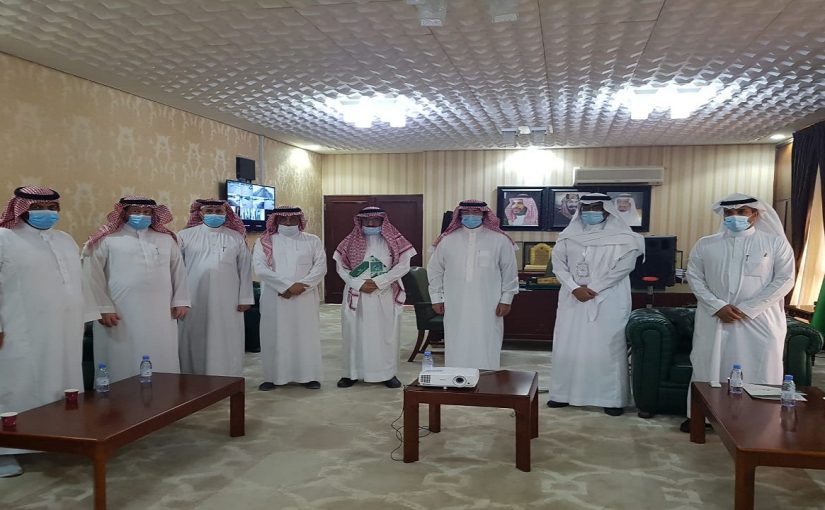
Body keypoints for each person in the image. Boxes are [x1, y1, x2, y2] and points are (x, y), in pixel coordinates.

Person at [0, 186, 99, 477]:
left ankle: (60, 437)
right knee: (16, 384)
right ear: (21, 208)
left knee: (63, 383)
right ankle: (6, 450)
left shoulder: (64, 239)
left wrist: (86, 316)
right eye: (38, 207)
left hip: (65, 328)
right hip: (19, 328)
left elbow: (79, 281)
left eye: (53, 207)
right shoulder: (4, 238)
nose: (47, 212)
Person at [682, 193, 795, 432]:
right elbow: (694, 277)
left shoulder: (775, 243)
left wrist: (747, 308)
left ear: (755, 214)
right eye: (729, 213)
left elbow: (785, 280)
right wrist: (717, 306)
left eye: (741, 212)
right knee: (708, 366)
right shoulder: (706, 244)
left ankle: (760, 422)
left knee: (761, 367)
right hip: (714, 318)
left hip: (761, 320)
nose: (734, 216)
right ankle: (702, 418)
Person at [546, 194, 644, 416]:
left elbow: (625, 267)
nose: (590, 212)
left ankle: (610, 399)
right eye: (586, 208)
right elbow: (558, 265)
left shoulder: (625, 238)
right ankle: (562, 394)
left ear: (608, 210)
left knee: (608, 347)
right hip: (573, 298)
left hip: (609, 298)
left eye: (596, 208)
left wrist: (595, 288)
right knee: (568, 344)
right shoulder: (568, 236)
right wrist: (574, 288)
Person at [83, 196, 190, 383]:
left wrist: (181, 300)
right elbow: (92, 275)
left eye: (147, 212)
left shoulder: (166, 239)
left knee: (162, 356)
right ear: (124, 213)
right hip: (120, 314)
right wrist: (103, 308)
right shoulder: (107, 239)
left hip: (161, 313)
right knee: (122, 360)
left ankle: (165, 396)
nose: (142, 215)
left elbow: (178, 271)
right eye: (136, 211)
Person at [427, 199, 518, 369]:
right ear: (459, 214)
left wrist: (507, 299)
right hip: (455, 302)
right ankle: (456, 375)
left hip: (489, 302)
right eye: (466, 212)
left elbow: (509, 272)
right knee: (456, 337)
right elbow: (435, 271)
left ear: (484, 214)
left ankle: (487, 376)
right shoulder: (446, 240)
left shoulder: (500, 240)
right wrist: (436, 298)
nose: (471, 216)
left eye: (476, 212)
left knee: (487, 338)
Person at [333, 207, 416, 388]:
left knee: (385, 334)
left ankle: (386, 374)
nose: (371, 224)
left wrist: (380, 282)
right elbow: (341, 267)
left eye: (375, 220)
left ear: (382, 222)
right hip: (357, 293)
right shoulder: (349, 242)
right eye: (367, 220)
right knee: (353, 333)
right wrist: (359, 284)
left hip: (383, 293)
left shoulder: (395, 241)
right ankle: (351, 373)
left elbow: (403, 266)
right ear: (360, 222)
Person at [252, 206, 326, 390]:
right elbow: (260, 268)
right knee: (274, 335)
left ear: (299, 220)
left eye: (292, 218)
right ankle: (272, 376)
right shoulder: (264, 242)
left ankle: (309, 376)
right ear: (276, 220)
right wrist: (285, 286)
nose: (287, 222)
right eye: (283, 218)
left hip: (304, 297)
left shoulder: (312, 240)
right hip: (275, 297)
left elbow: (320, 268)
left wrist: (299, 287)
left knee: (305, 335)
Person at [177, 199, 254, 376]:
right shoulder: (184, 236)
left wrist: (245, 298)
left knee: (227, 337)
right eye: (209, 211)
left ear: (226, 214)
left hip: (229, 300)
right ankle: (193, 378)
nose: (214, 214)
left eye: (219, 211)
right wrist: (179, 299)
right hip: (194, 298)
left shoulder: (236, 237)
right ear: (201, 213)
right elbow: (176, 269)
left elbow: (245, 269)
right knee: (194, 336)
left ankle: (228, 377)